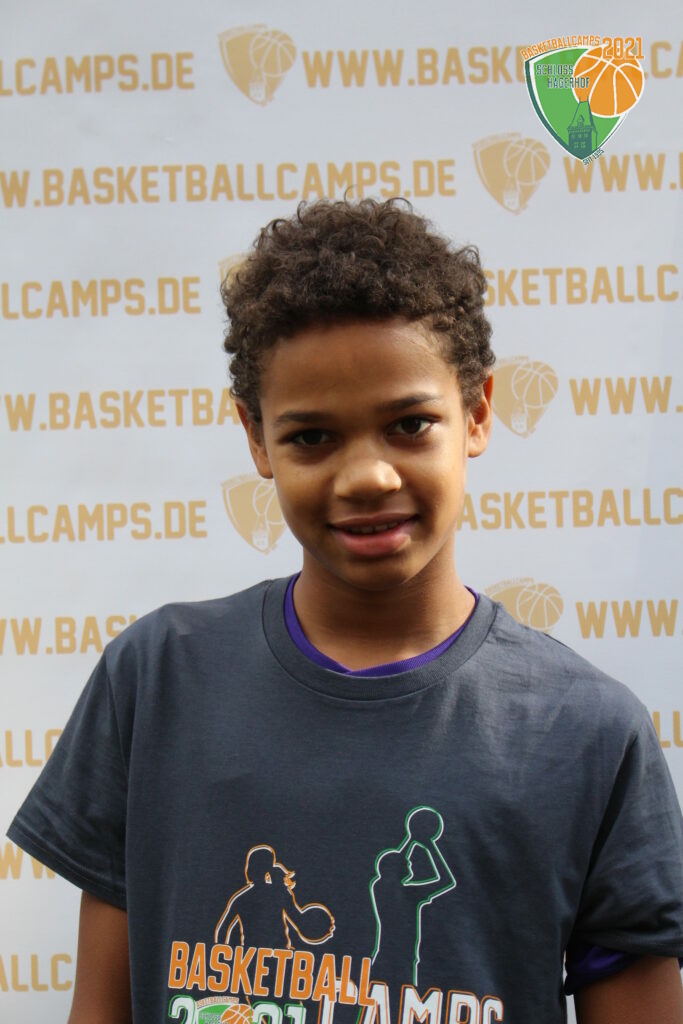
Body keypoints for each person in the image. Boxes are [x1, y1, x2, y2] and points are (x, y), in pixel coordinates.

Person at [8, 199, 683, 1024]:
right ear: (256, 438)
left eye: (409, 424)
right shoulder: (155, 682)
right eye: (311, 438)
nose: (367, 476)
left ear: (477, 413)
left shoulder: (587, 734)